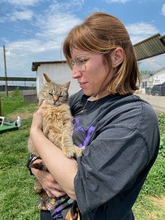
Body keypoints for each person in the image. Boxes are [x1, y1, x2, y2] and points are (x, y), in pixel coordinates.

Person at [28, 12, 160, 220]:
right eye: (74, 62)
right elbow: (48, 139)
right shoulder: (79, 99)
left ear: (116, 57)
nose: (74, 73)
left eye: (83, 61)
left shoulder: (134, 118)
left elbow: (77, 185)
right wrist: (36, 168)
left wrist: (35, 132)